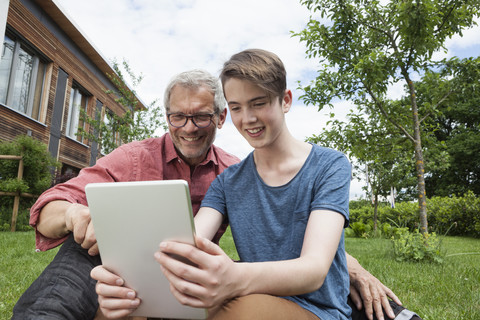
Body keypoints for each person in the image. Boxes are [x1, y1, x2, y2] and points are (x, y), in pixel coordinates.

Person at [14, 68, 402, 320]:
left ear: (219, 118)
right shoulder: (133, 158)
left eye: (201, 116)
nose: (189, 127)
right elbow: (48, 207)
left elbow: (293, 227)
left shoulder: (234, 173)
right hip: (100, 254)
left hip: (177, 266)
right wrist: (73, 216)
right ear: (167, 118)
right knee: (57, 306)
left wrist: (351, 267)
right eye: (178, 117)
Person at [90, 49, 378, 320]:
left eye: (259, 103)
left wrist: (233, 277)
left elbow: (313, 270)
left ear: (286, 100)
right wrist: (127, 284)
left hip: (315, 308)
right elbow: (188, 244)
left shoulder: (329, 166)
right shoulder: (228, 181)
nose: (248, 119)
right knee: (121, 311)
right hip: (247, 293)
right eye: (237, 107)